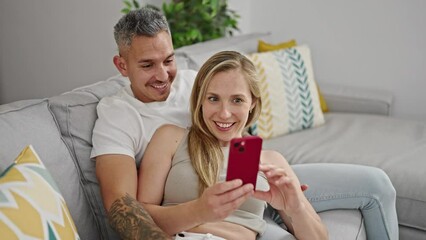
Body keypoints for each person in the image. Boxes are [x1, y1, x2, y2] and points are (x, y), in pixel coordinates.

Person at [91, 6, 398, 240]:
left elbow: (234, 110)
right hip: (197, 205)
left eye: (168, 60)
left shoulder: (195, 81)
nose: (163, 75)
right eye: (147, 65)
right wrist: (200, 210)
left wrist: (293, 204)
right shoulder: (128, 119)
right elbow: (125, 206)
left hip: (252, 188)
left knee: (375, 185)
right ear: (122, 65)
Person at [137, 50, 328, 240]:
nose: (224, 114)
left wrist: (296, 209)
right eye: (213, 98)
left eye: (237, 100)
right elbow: (137, 217)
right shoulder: (171, 138)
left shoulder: (269, 160)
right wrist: (198, 211)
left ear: (252, 102)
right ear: (200, 99)